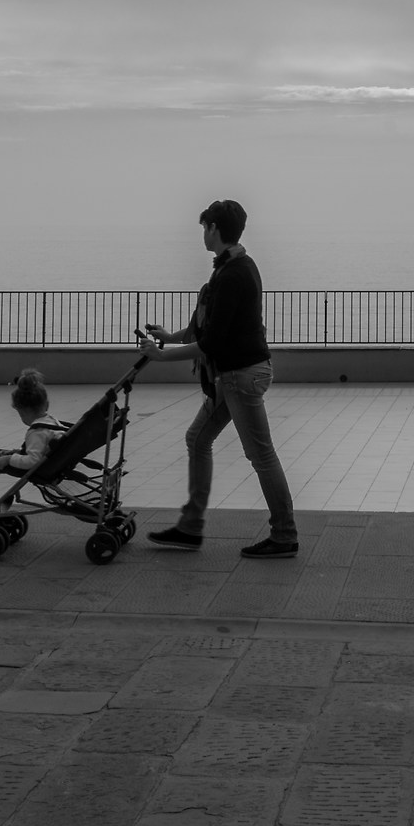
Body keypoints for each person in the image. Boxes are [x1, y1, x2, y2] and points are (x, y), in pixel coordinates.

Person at [134, 199, 297, 558]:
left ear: (215, 229)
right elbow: (202, 327)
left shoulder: (233, 274)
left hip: (241, 375)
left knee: (261, 455)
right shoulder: (234, 267)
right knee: (197, 438)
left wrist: (161, 355)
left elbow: (211, 341)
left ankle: (284, 534)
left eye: (204, 227)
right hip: (235, 375)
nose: (202, 233)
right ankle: (190, 527)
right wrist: (170, 336)